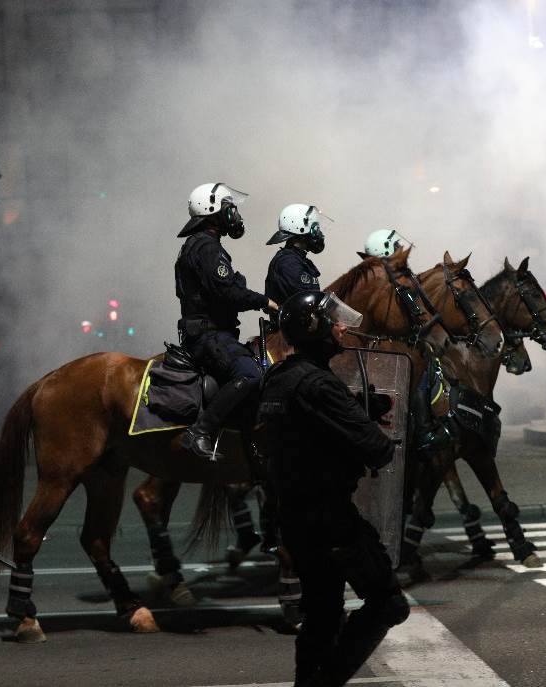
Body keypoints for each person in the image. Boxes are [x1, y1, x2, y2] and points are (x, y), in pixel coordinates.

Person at [258, 291, 410, 687]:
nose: (341, 327)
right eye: (333, 321)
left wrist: (356, 405)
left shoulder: (279, 378)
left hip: (294, 519)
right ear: (314, 330)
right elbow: (377, 450)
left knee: (323, 617)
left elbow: (305, 426)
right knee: (388, 604)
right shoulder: (320, 385)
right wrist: (364, 422)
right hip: (331, 523)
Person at [174, 182, 278, 459]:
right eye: (229, 208)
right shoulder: (207, 248)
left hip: (210, 334)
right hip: (210, 336)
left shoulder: (201, 245)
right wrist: (264, 302)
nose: (234, 214)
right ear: (213, 211)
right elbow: (227, 292)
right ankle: (200, 432)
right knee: (251, 374)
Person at [363, 229, 451, 454]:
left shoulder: (390, 278)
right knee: (414, 370)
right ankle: (422, 431)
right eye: (396, 250)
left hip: (390, 340)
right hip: (377, 346)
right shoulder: (377, 281)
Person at [264, 204, 326, 317]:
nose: (319, 234)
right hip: (293, 330)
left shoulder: (299, 260)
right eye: (315, 228)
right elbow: (306, 303)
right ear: (300, 229)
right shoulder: (288, 263)